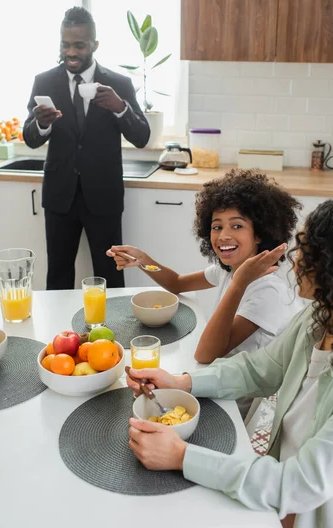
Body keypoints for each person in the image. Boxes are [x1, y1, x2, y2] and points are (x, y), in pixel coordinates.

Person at [126, 199, 333, 528]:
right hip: (282, 495)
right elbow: (259, 369)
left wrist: (182, 457)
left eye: (305, 249)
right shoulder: (322, 316)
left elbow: (298, 485)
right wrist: (181, 382)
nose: (293, 261)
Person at [107, 169, 304, 416]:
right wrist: (144, 260)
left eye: (237, 225)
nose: (223, 236)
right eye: (216, 226)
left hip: (232, 400)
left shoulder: (267, 290)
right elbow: (177, 283)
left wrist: (238, 283)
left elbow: (207, 352)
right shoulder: (230, 268)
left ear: (260, 234)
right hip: (215, 374)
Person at [23, 7, 150, 290]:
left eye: (79, 45)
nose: (71, 52)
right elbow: (30, 138)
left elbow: (142, 137)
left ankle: (115, 331)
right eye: (65, 45)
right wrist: (42, 124)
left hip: (103, 196)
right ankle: (57, 334)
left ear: (94, 45)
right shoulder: (45, 82)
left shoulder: (119, 84)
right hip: (59, 196)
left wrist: (120, 108)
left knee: (111, 273)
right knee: (57, 274)